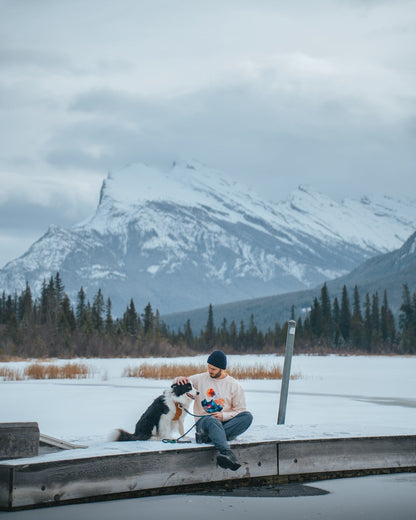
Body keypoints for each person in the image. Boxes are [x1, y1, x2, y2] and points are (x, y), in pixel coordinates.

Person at [176, 350, 253, 471]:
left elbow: (240, 410)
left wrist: (223, 416)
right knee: (211, 420)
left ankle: (212, 437)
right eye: (209, 367)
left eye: (213, 369)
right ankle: (226, 453)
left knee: (247, 416)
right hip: (204, 423)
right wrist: (179, 379)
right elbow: (180, 383)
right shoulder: (199, 379)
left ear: (222, 369)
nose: (210, 371)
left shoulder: (234, 385)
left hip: (224, 423)